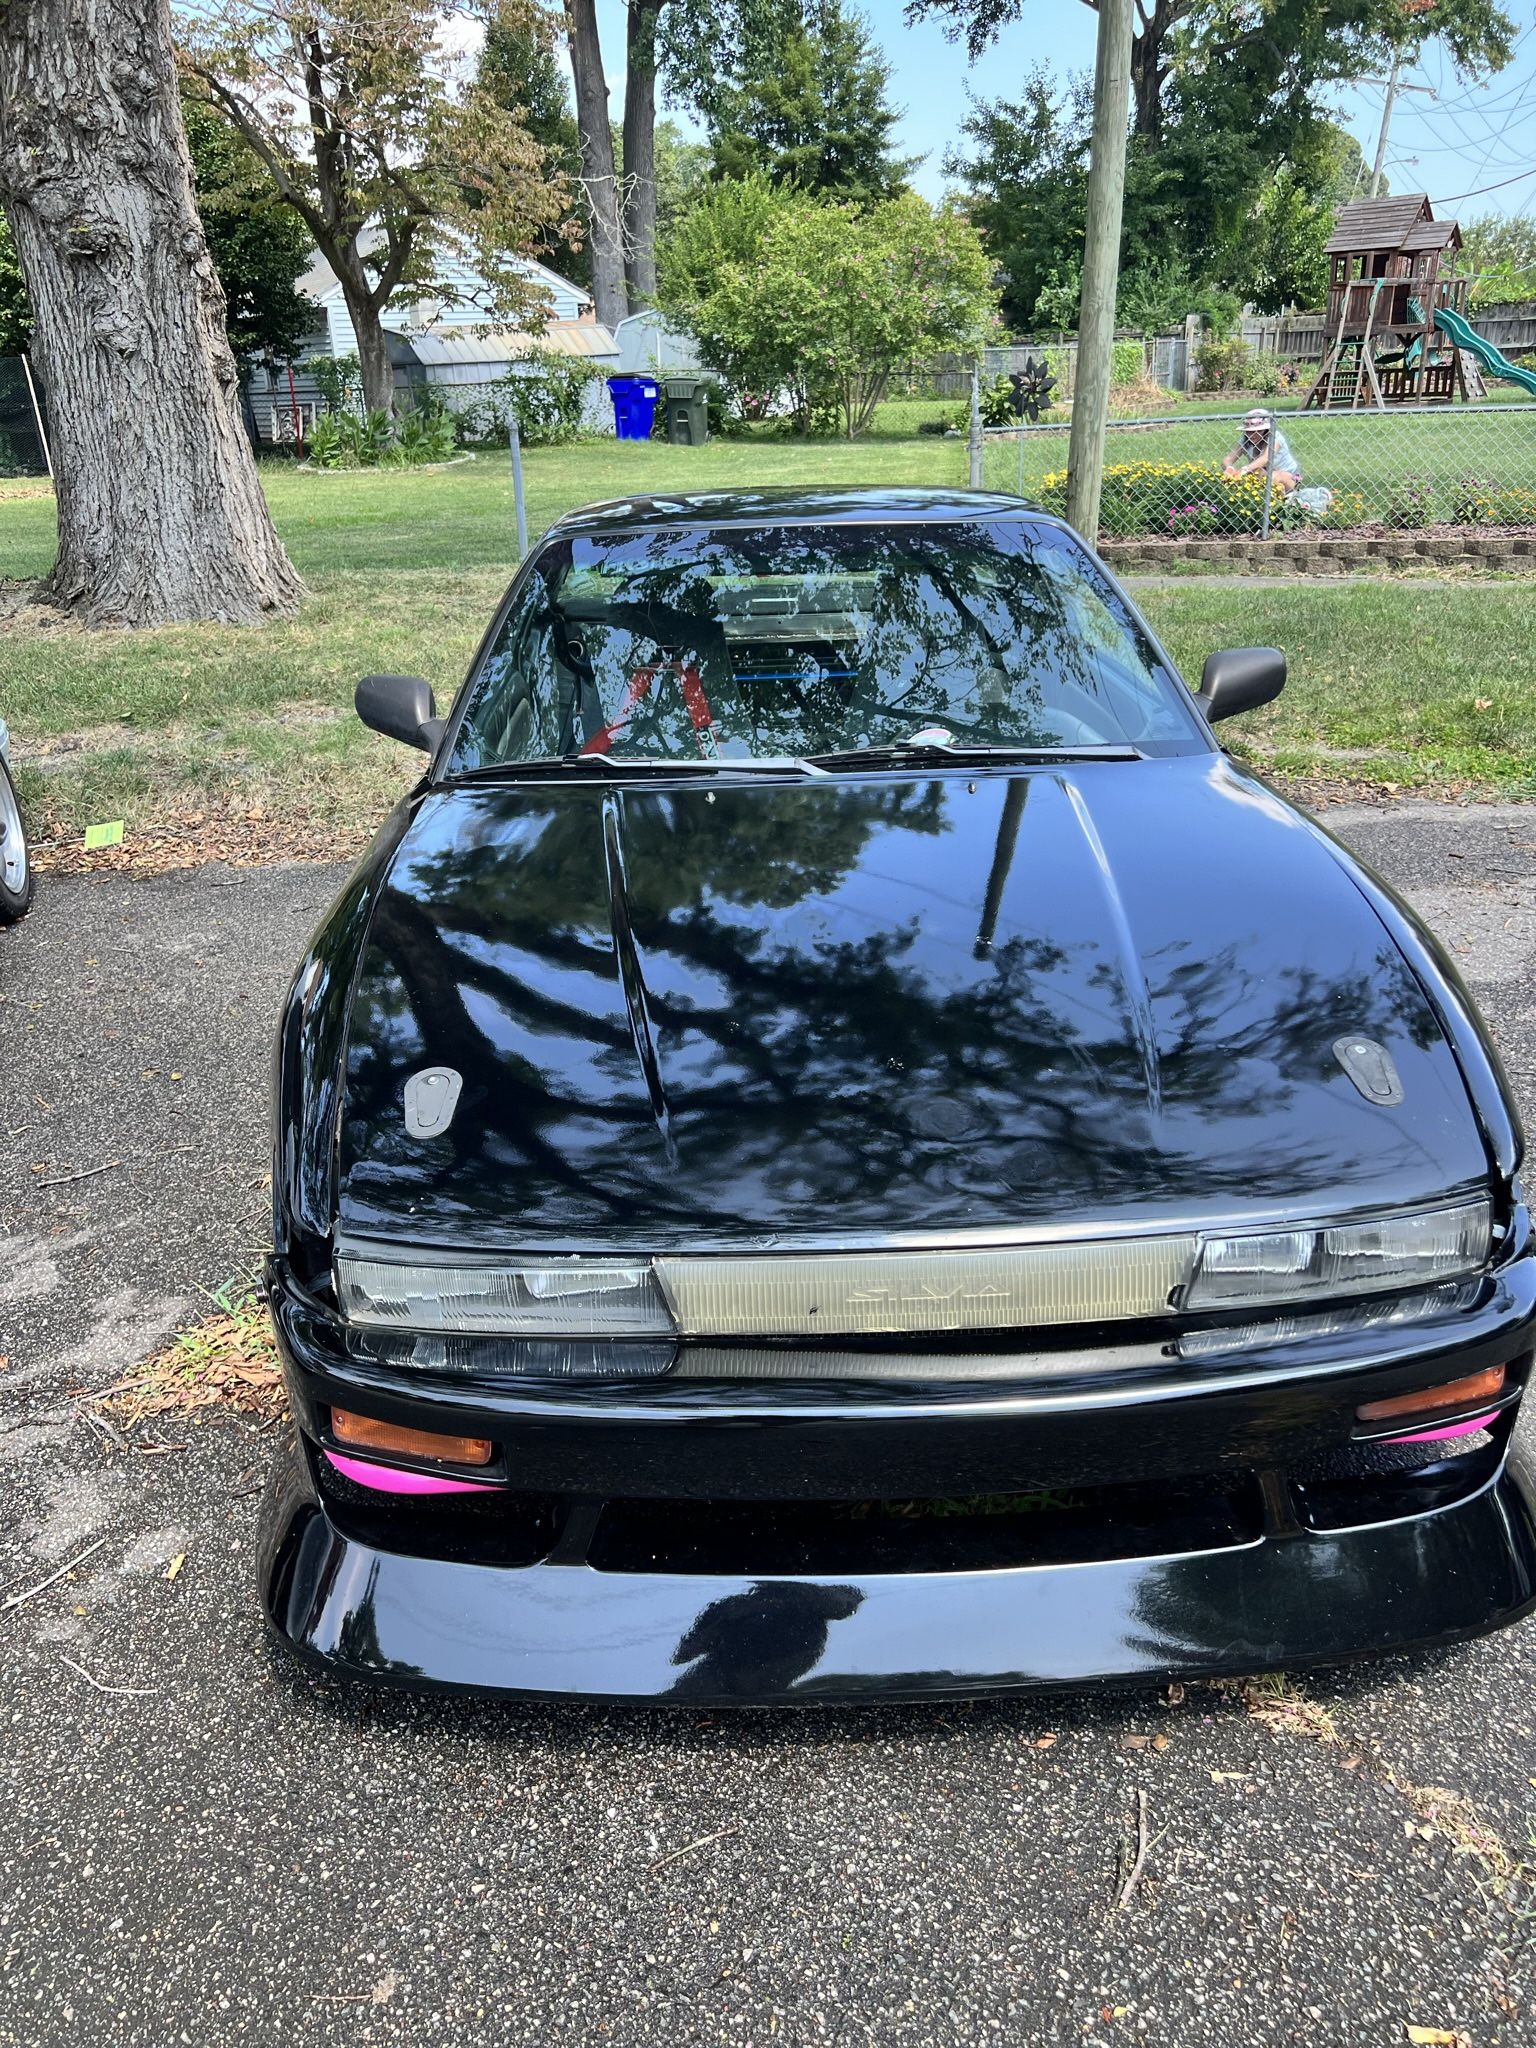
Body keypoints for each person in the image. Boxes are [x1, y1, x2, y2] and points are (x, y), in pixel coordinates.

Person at [1223, 410, 1301, 494]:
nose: (1251, 434)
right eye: (1248, 431)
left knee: (1272, 476)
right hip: (1264, 475)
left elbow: (1265, 458)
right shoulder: (1245, 440)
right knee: (1255, 473)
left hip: (1288, 476)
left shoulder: (1275, 438)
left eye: (1257, 431)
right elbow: (1228, 459)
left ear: (1266, 430)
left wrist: (1244, 469)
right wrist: (1228, 468)